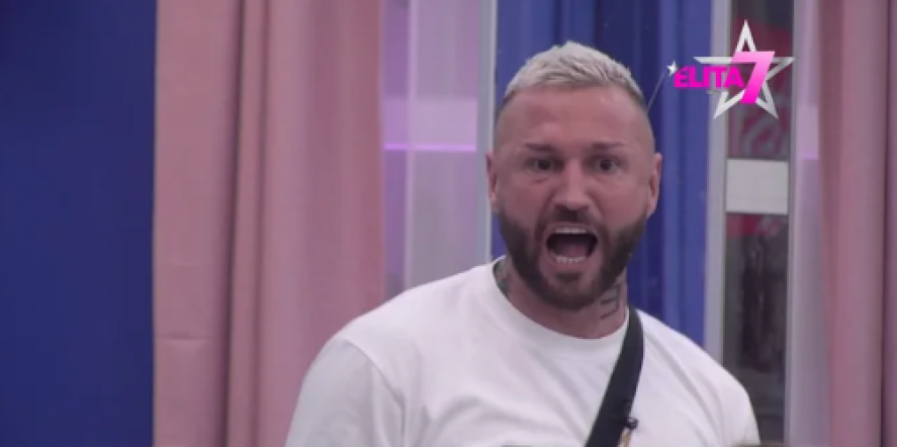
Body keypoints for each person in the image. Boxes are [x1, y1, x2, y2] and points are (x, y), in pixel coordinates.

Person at [285, 42, 760, 446]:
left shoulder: (715, 404)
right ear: (493, 181)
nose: (572, 196)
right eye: (541, 164)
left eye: (605, 165)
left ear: (651, 185)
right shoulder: (381, 369)